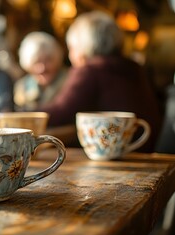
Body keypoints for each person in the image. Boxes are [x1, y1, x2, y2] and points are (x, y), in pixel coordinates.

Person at [37, 11, 162, 152]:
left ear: (83, 48)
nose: (71, 55)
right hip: (146, 148)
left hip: (115, 155)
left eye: (72, 48)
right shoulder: (134, 68)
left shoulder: (91, 70)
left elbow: (59, 113)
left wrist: (17, 113)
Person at [14, 31, 68, 111]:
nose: (43, 68)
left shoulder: (69, 81)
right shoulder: (22, 87)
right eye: (36, 62)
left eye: (48, 60)